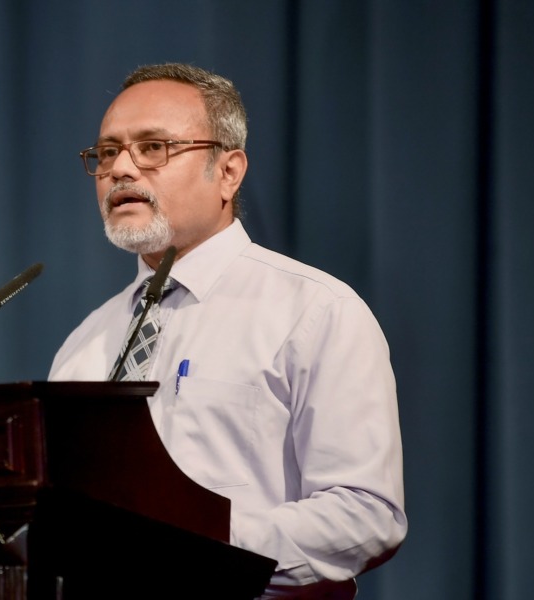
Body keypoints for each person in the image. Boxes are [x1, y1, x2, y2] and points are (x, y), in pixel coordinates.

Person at [49, 62, 407, 599]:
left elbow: (366, 514)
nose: (120, 168)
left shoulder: (314, 312)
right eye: (107, 152)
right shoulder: (85, 343)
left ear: (228, 171)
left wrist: (196, 545)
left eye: (152, 147)